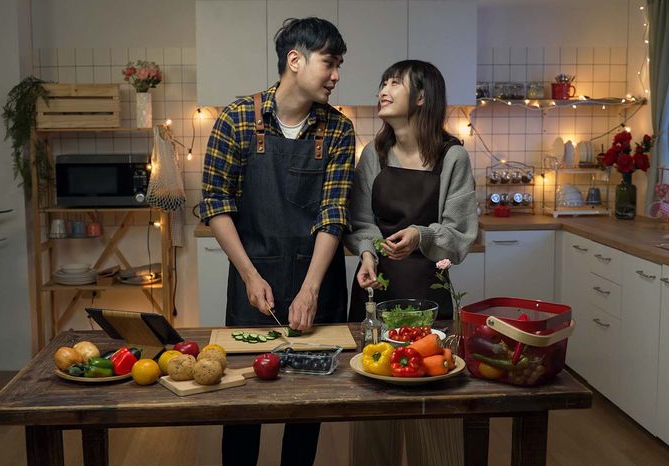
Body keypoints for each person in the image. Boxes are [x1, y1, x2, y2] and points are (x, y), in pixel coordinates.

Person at [198, 17, 354, 466]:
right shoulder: (237, 119)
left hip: (317, 281)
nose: (336, 76)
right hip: (253, 282)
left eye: (339, 65)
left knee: (307, 405)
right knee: (244, 402)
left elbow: (333, 214)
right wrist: (249, 273)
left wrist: (309, 289)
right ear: (295, 60)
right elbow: (215, 203)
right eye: (329, 63)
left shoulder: (339, 131)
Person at [344, 59, 478, 466]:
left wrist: (423, 235)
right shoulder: (375, 153)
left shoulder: (452, 157)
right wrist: (368, 251)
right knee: (372, 401)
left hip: (428, 292)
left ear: (421, 97)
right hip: (374, 288)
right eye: (383, 81)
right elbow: (361, 221)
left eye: (395, 83)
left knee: (431, 405)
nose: (383, 89)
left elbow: (460, 234)